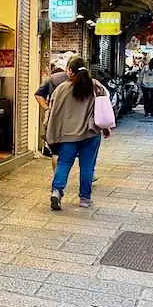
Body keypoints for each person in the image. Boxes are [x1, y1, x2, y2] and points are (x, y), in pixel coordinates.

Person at [46, 56, 110, 210]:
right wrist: (106, 126)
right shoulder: (95, 86)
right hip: (91, 133)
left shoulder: (61, 88)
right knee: (87, 166)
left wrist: (51, 131)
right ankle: (85, 198)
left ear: (69, 70)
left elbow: (53, 111)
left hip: (68, 135)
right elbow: (104, 108)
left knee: (64, 163)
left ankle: (57, 191)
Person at [35, 54, 72, 172]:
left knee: (56, 150)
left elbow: (38, 94)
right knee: (80, 149)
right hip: (75, 120)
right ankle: (89, 174)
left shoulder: (53, 78)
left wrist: (46, 108)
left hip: (55, 119)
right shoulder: (83, 80)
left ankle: (57, 177)